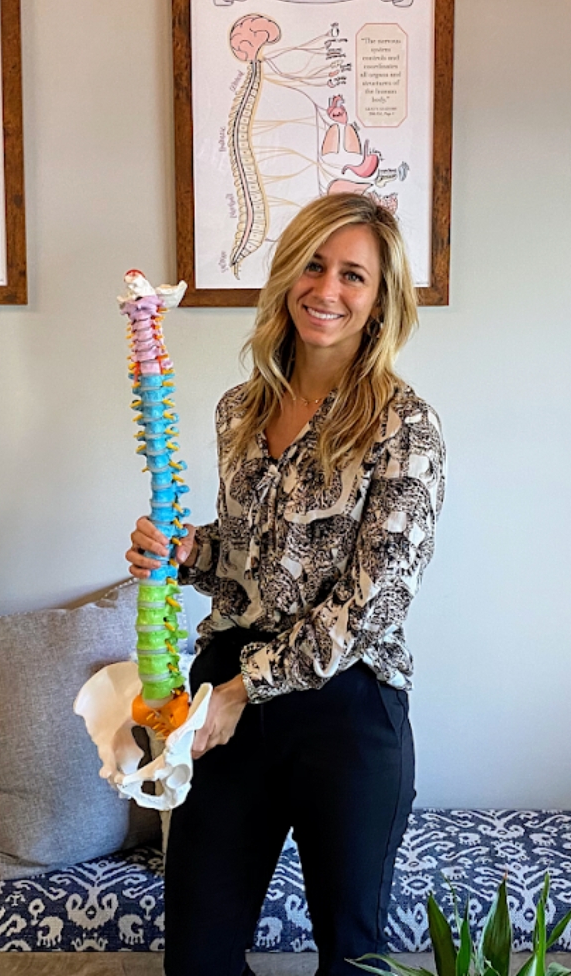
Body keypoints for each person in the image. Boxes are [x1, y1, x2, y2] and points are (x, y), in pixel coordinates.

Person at [125, 192, 446, 976]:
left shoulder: (405, 426)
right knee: (197, 957)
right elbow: (248, 560)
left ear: (380, 300)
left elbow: (374, 601)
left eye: (352, 275)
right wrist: (183, 552)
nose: (326, 289)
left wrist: (244, 690)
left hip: (345, 705)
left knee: (352, 961)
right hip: (226, 691)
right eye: (312, 264)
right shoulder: (240, 409)